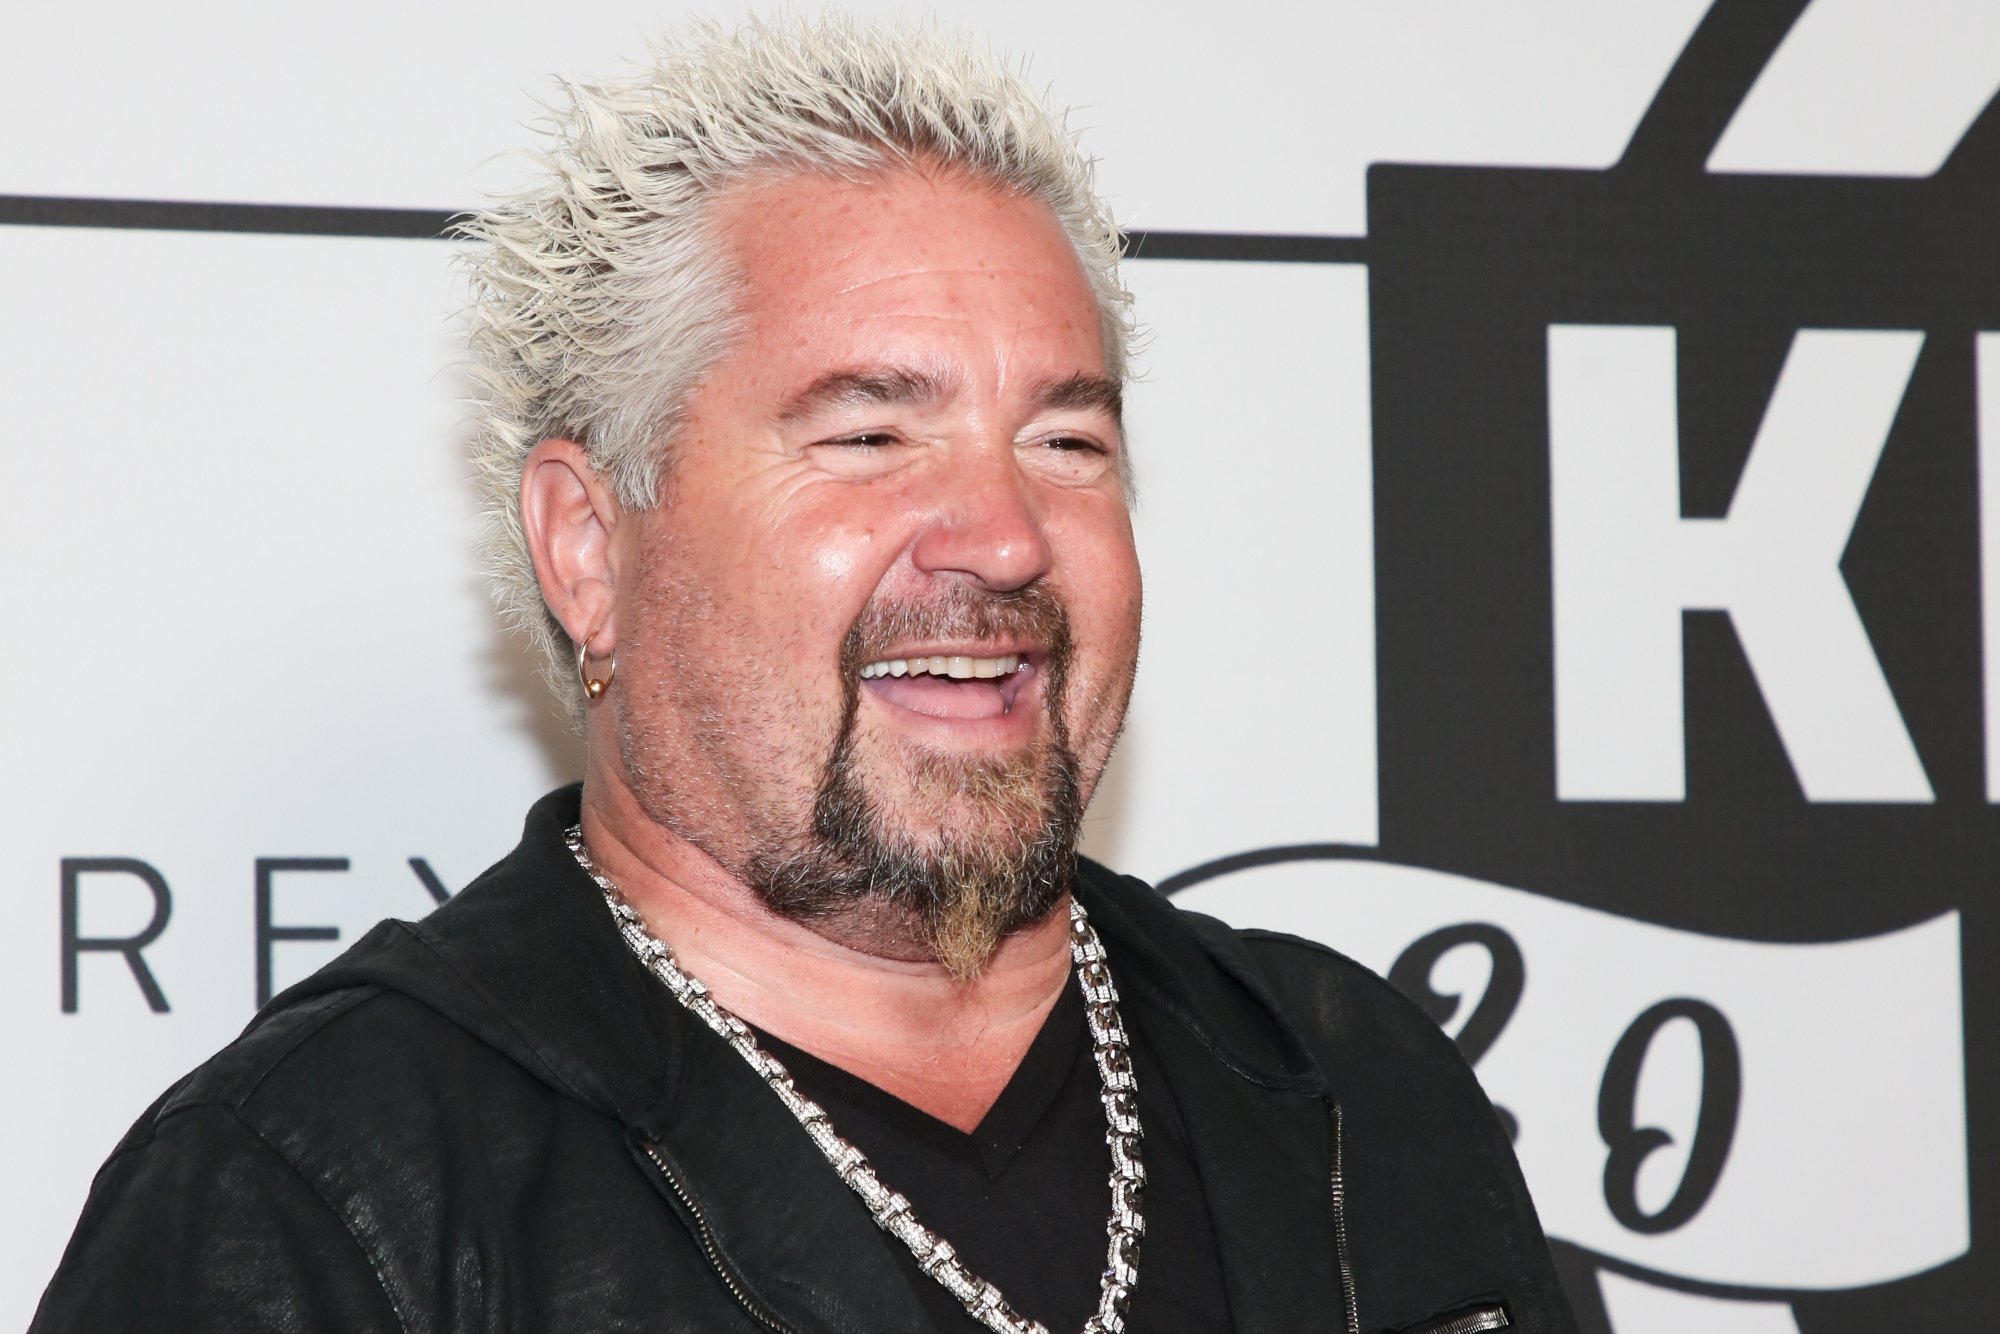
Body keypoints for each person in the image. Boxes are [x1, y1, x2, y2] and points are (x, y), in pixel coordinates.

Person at [33, 17, 1575, 1334]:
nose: (1007, 535)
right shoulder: (317, 1202)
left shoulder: (1353, 1098)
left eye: (1068, 441)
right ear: (590, 546)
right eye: (869, 434)